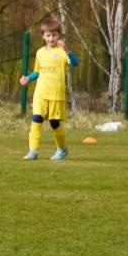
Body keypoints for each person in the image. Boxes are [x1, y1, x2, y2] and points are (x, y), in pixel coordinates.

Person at [19, 17, 79, 161]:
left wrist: (67, 50)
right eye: (48, 35)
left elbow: (75, 63)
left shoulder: (62, 51)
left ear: (58, 35)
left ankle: (62, 149)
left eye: (54, 35)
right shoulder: (40, 53)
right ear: (43, 36)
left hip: (56, 94)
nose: (51, 38)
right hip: (40, 93)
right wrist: (28, 78)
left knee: (54, 123)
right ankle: (33, 151)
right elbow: (37, 72)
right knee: (36, 119)